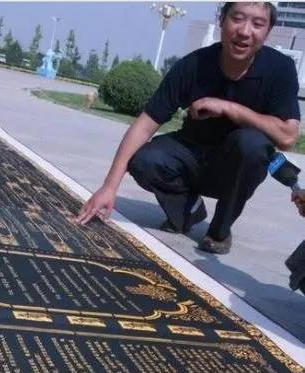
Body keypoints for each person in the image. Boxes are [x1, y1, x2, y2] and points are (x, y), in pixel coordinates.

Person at [74, 2, 300, 254]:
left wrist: (228, 108)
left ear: (268, 32)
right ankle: (188, 210)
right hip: (190, 158)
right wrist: (109, 187)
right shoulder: (193, 65)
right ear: (221, 20)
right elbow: (145, 124)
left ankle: (219, 231)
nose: (245, 31)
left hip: (235, 171)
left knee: (253, 145)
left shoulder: (280, 69)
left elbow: (287, 136)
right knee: (144, 159)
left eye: (258, 24)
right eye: (237, 18)